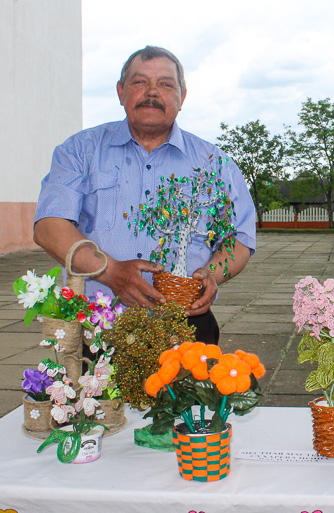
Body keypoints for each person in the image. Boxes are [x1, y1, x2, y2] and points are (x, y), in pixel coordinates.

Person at [33, 46, 256, 345]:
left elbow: (239, 238)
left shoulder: (214, 163)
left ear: (182, 97)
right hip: (97, 325)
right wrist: (110, 272)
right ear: (120, 91)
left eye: (165, 84)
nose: (152, 92)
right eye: (139, 82)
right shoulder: (79, 151)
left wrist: (212, 274)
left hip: (186, 326)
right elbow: (49, 227)